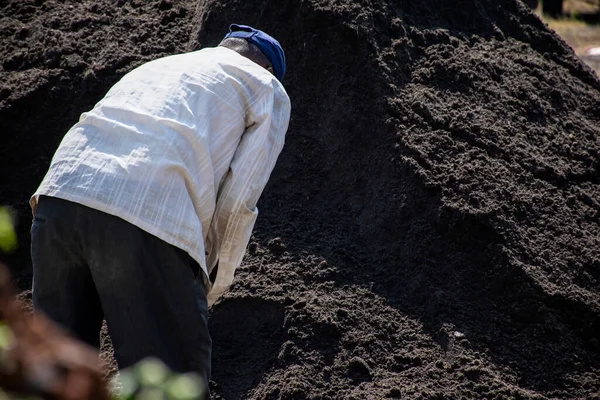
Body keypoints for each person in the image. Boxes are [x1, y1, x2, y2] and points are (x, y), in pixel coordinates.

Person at [29, 24, 290, 395]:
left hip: (59, 198)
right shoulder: (266, 88)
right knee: (171, 383)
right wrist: (208, 287)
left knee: (56, 376)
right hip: (147, 215)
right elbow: (238, 204)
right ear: (268, 69)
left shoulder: (160, 66)